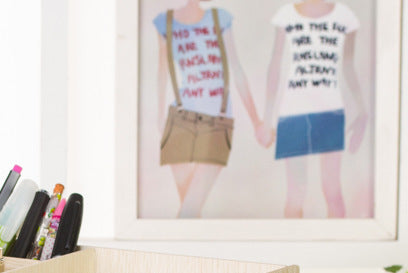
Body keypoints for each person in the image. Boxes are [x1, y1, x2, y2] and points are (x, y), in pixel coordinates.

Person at [154, 0, 270, 218]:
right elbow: (162, 72)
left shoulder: (219, 18)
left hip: (217, 122)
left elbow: (236, 69)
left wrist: (256, 121)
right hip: (179, 121)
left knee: (189, 210)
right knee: (189, 210)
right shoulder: (165, 22)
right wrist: (160, 116)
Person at [261, 0, 367, 218]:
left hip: (330, 111)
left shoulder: (345, 17)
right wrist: (266, 119)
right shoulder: (286, 14)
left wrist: (362, 111)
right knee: (296, 194)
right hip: (293, 113)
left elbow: (348, 66)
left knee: (332, 190)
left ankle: (337, 239)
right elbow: (275, 65)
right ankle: (293, 240)